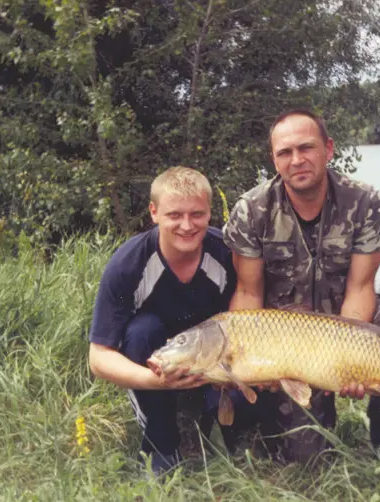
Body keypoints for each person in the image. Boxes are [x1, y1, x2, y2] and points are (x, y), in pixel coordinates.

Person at [222, 108, 380, 463]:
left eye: (306, 148)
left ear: (328, 149)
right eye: (285, 153)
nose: (297, 160)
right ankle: (264, 427)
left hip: (346, 318)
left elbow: (361, 288)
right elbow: (247, 293)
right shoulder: (252, 209)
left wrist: (351, 362)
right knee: (307, 459)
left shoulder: (364, 202)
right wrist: (255, 359)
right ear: (274, 159)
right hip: (286, 337)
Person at [87, 166, 240, 476]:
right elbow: (98, 357)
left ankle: (219, 425)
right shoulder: (128, 264)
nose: (186, 225)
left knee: (242, 399)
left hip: (215, 357)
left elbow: (246, 323)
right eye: (174, 215)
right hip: (157, 361)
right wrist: (155, 380)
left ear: (210, 213)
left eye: (197, 214)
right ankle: (161, 443)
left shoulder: (226, 253)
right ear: (154, 212)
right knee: (142, 330)